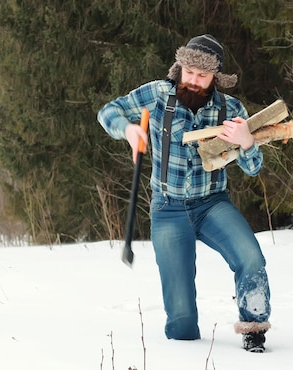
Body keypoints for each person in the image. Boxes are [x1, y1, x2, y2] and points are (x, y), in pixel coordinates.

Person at [97, 34, 271, 353]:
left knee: (251, 257)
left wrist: (247, 142)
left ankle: (254, 330)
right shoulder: (157, 94)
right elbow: (108, 111)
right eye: (188, 72)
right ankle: (184, 352)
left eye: (202, 76)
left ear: (214, 78)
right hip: (168, 210)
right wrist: (128, 129)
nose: (192, 81)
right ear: (180, 67)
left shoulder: (230, 109)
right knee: (181, 322)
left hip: (213, 204)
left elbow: (253, 168)